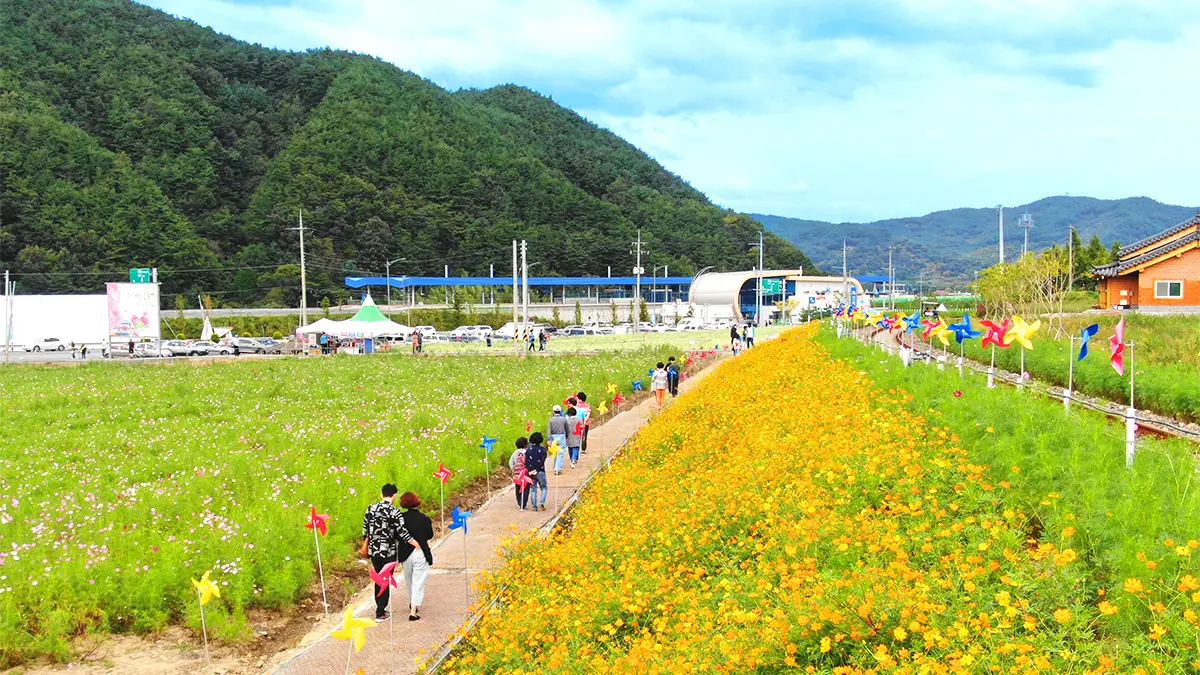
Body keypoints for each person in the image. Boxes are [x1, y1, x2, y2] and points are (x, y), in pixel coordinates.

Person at [361, 484, 419, 621]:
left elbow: (364, 529)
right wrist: (415, 543)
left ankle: (380, 608)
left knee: (378, 578)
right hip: (389, 551)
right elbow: (402, 533)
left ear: (382, 494)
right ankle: (380, 612)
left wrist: (366, 543)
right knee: (385, 579)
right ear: (394, 496)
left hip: (374, 551)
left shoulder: (370, 508)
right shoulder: (395, 511)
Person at [398, 492, 433, 621]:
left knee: (409, 580)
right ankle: (413, 610)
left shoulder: (401, 518)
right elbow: (430, 535)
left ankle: (412, 602)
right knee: (418, 580)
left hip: (405, 553)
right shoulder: (424, 518)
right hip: (420, 552)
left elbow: (398, 535)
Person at [524, 432, 548, 512]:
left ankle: (534, 506)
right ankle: (542, 502)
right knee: (544, 487)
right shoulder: (543, 450)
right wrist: (537, 470)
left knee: (533, 489)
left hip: (531, 472)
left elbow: (526, 462)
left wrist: (530, 470)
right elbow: (542, 461)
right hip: (540, 471)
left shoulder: (528, 450)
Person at [547, 405, 569, 475]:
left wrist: (549, 439)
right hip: (561, 436)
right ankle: (558, 468)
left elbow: (549, 430)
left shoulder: (551, 420)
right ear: (560, 411)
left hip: (553, 437)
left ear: (553, 411)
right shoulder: (563, 419)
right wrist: (567, 436)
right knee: (560, 452)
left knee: (555, 452)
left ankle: (555, 466)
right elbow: (567, 429)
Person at [509, 437, 531, 509]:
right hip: (525, 474)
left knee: (518, 488)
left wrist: (513, 470)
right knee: (526, 488)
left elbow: (511, 463)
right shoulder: (527, 452)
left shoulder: (514, 453)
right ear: (526, 445)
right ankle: (523, 503)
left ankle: (519, 502)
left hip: (517, 473)